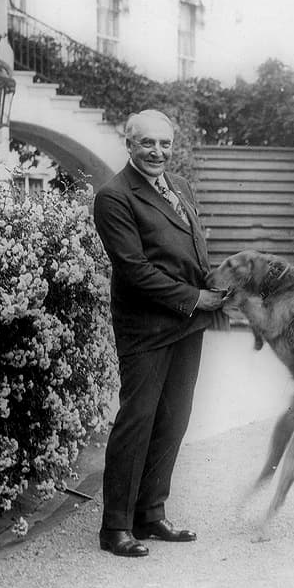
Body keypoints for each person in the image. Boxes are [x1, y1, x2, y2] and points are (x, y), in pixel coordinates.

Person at [92, 109, 228, 558]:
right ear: (129, 145)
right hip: (146, 327)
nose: (157, 152)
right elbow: (134, 271)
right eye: (147, 143)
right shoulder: (114, 197)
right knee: (138, 421)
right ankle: (115, 527)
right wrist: (195, 298)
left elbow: (193, 248)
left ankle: (150, 514)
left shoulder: (181, 187)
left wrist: (214, 285)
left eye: (165, 144)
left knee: (173, 420)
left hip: (187, 324)